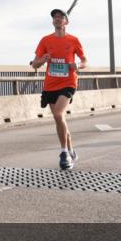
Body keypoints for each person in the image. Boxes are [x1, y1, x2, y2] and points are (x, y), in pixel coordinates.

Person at [31, 9, 87, 170]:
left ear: (66, 22)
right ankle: (70, 150)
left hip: (68, 82)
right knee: (59, 119)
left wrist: (78, 65)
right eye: (54, 17)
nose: (57, 19)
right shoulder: (45, 40)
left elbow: (85, 61)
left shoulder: (74, 40)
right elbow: (34, 64)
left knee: (58, 114)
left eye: (60, 17)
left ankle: (63, 153)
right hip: (50, 85)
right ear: (53, 22)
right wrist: (43, 59)